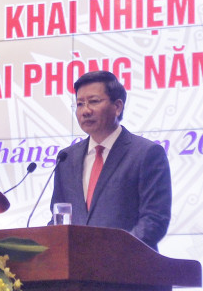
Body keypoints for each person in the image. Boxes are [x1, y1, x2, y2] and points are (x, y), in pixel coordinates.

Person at [49, 70, 172, 249]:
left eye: (94, 101)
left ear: (118, 106)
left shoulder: (146, 153)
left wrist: (112, 252)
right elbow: (57, 220)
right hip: (76, 265)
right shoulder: (66, 158)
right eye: (80, 104)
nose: (85, 111)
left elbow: (154, 220)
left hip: (127, 263)